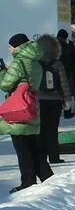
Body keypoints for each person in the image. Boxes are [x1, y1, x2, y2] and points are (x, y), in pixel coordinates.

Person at [1, 34, 51, 193]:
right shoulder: (35, 61)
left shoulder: (19, 62)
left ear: (17, 46)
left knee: (23, 150)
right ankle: (48, 178)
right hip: (31, 106)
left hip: (18, 110)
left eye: (10, 46)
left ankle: (28, 182)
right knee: (34, 148)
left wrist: (2, 71)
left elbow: (5, 85)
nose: (9, 49)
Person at [36, 34, 74, 166]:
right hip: (55, 100)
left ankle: (41, 157)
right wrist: (67, 99)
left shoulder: (35, 64)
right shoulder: (58, 64)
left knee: (40, 130)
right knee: (52, 130)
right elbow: (64, 83)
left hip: (39, 100)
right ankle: (54, 156)